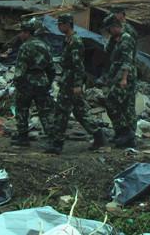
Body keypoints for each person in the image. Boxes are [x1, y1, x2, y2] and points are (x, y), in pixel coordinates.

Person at [45, 15, 106, 154]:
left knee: (62, 112)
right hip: (68, 80)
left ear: (68, 24)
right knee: (80, 111)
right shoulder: (68, 40)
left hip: (71, 83)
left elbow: (78, 65)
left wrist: (77, 84)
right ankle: (98, 135)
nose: (59, 27)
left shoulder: (75, 41)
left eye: (61, 24)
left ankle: (57, 144)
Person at [11, 18, 56, 147]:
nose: (20, 35)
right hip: (42, 82)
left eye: (22, 32)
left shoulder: (25, 47)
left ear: (27, 33)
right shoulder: (44, 45)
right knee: (45, 111)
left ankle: (23, 137)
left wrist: (18, 83)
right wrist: (48, 82)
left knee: (22, 109)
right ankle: (52, 138)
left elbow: (20, 69)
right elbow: (51, 67)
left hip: (27, 82)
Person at [102, 14, 137, 148]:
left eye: (109, 29)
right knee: (123, 106)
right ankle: (122, 134)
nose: (108, 32)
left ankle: (127, 133)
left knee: (113, 102)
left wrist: (124, 79)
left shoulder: (126, 39)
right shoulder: (116, 39)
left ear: (114, 27)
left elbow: (127, 61)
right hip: (117, 76)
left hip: (125, 77)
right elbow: (108, 53)